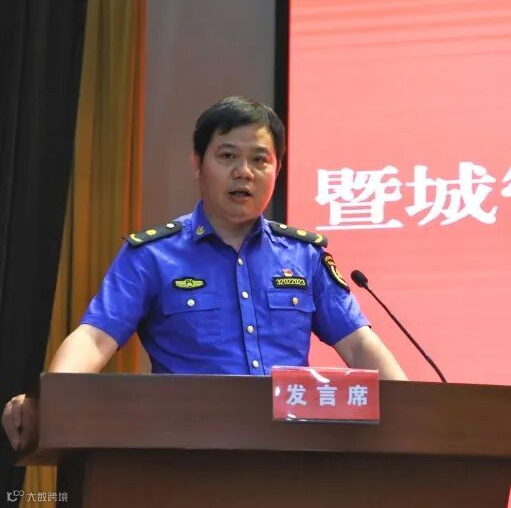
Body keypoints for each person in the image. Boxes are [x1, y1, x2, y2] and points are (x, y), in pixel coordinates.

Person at [2, 96, 407, 449]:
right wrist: (52, 403)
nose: (244, 172)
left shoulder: (305, 256)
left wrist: (414, 412)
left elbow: (359, 345)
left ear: (277, 168)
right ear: (198, 163)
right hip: (186, 451)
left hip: (293, 453)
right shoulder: (153, 255)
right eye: (227, 156)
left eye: (260, 159)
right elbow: (94, 338)